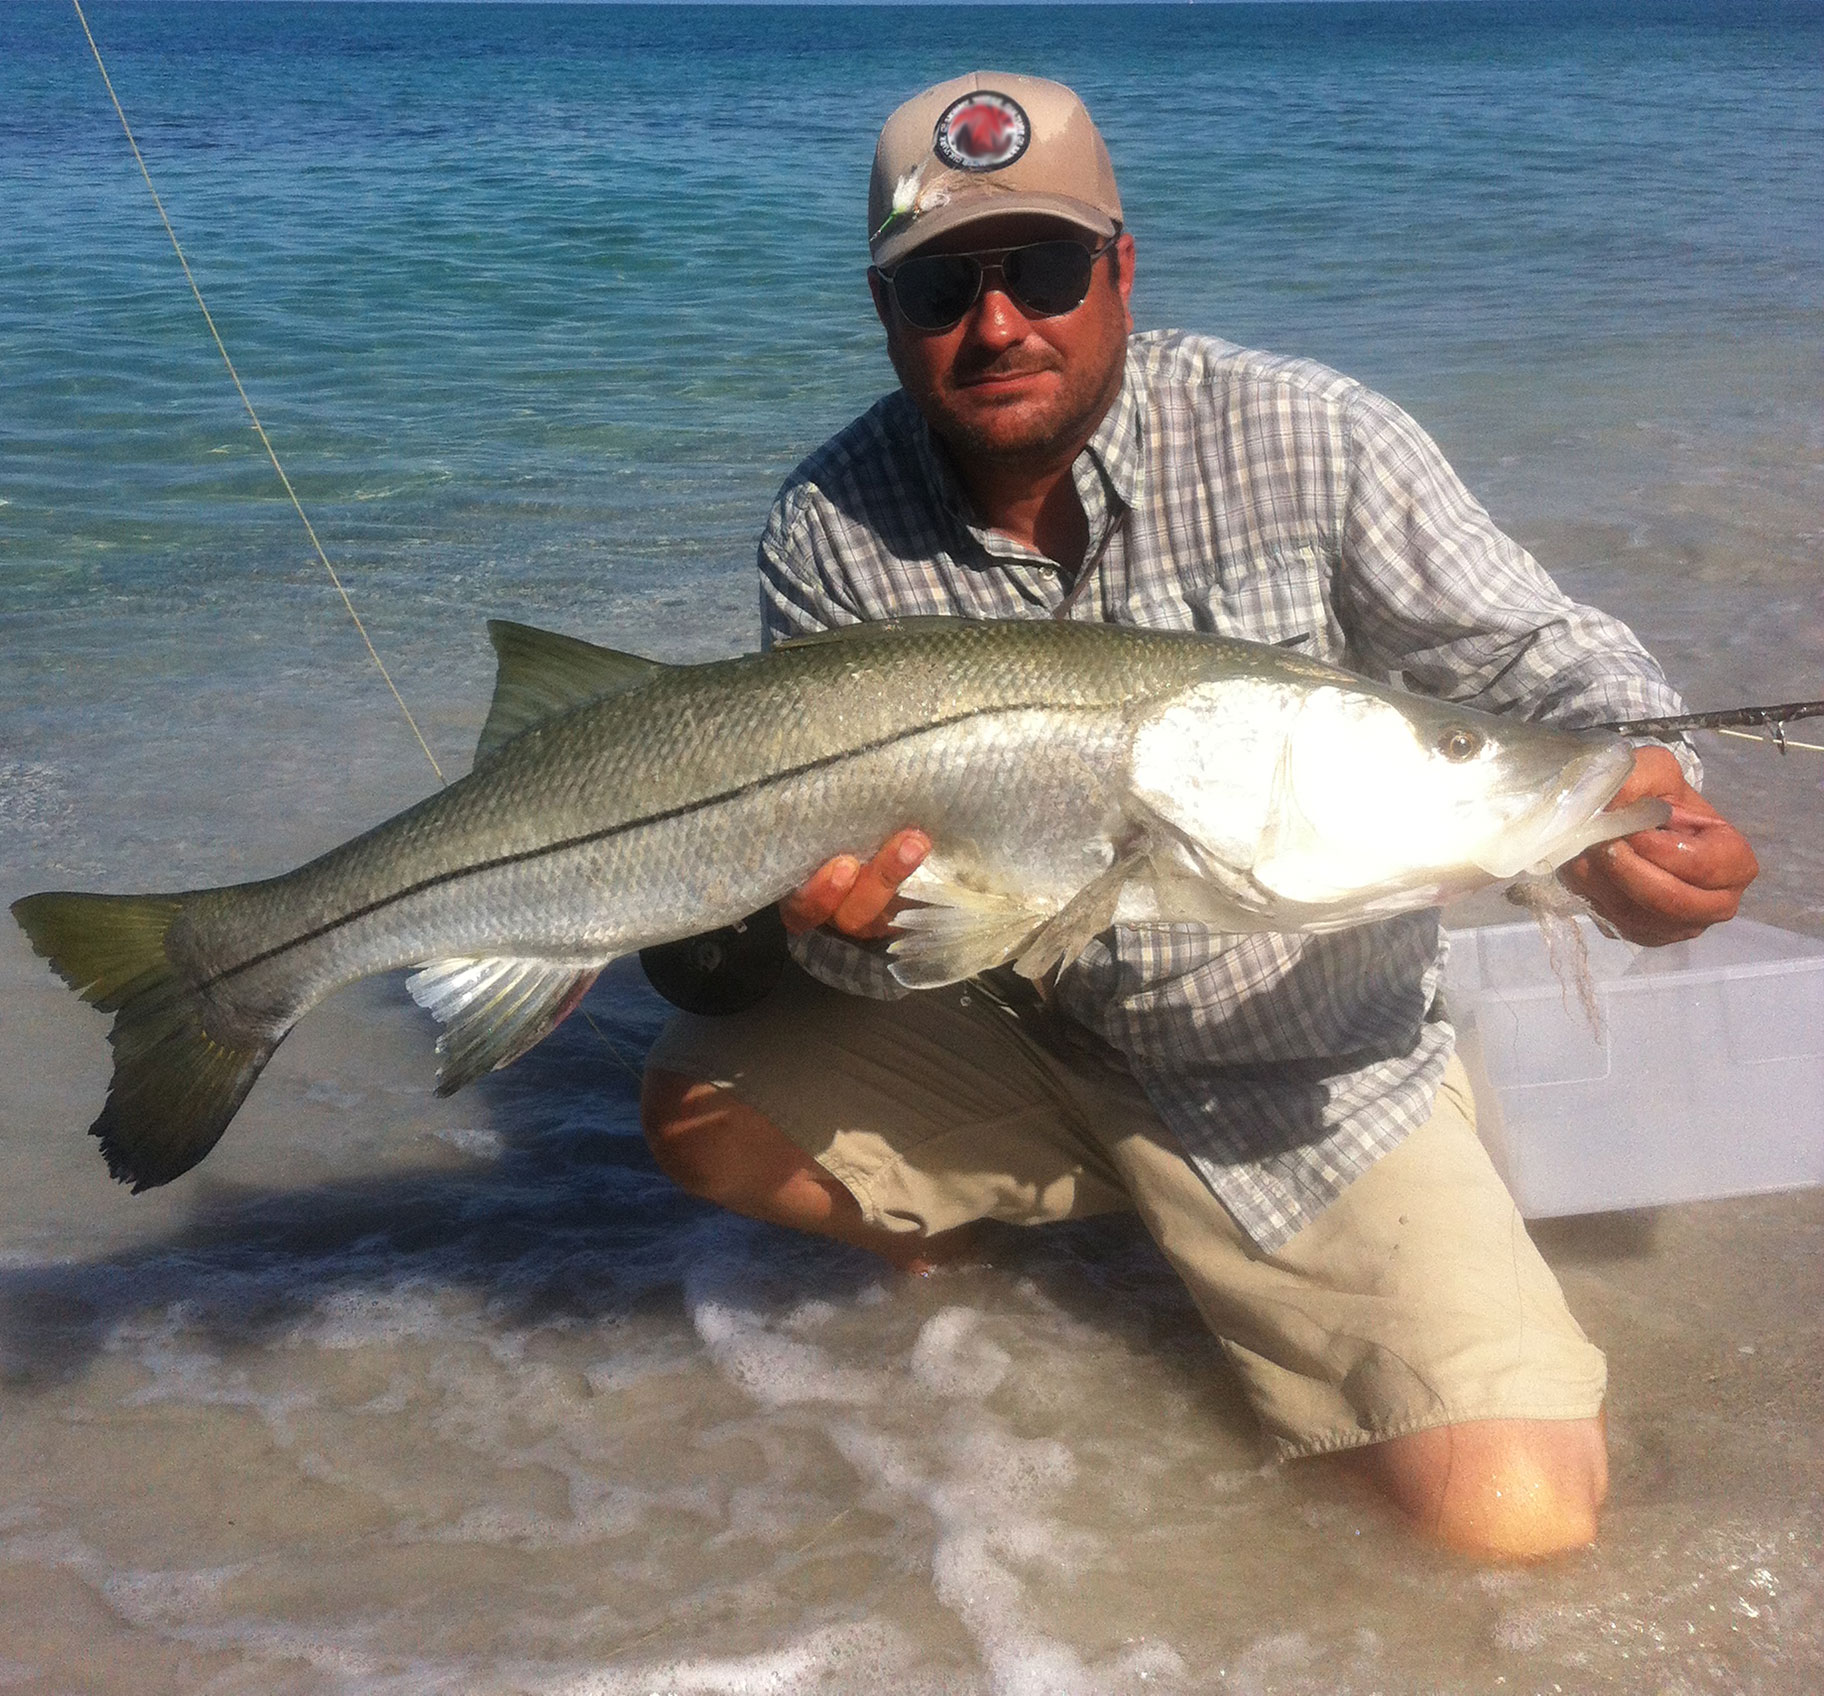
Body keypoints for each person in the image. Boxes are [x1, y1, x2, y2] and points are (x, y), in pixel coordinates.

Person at [638, 73, 1759, 1561]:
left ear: (1119, 266)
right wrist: (841, 938)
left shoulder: (1314, 435)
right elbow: (866, 928)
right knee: (701, 1111)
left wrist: (1643, 791)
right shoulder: (828, 526)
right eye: (938, 290)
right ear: (883, 309)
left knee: (1514, 1530)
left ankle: (1253, 1280)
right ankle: (1004, 1238)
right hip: (1020, 1025)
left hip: (1308, 1074)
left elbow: (1536, 662)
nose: (995, 325)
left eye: (1039, 270)